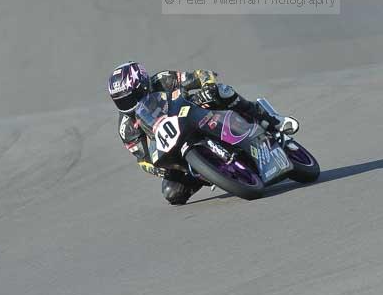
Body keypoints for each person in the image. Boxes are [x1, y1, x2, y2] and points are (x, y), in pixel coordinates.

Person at [108, 63, 298, 205]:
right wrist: (163, 168)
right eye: (122, 101)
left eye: (131, 97)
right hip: (173, 145)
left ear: (143, 84)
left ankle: (271, 120)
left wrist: (207, 86)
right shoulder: (126, 127)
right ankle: (212, 170)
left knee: (222, 92)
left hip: (194, 111)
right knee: (172, 193)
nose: (128, 104)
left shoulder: (161, 80)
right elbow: (143, 160)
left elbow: (201, 75)